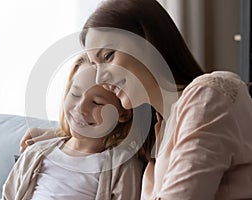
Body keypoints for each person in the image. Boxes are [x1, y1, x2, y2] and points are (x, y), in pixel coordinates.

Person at [78, 0, 252, 199]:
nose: (100, 79)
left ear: (149, 41)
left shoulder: (208, 94)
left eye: (108, 56)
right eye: (95, 65)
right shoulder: (159, 136)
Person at [2, 54, 145, 200]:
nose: (80, 108)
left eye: (96, 102)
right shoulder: (35, 154)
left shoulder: (123, 166)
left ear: (123, 113)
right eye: (75, 94)